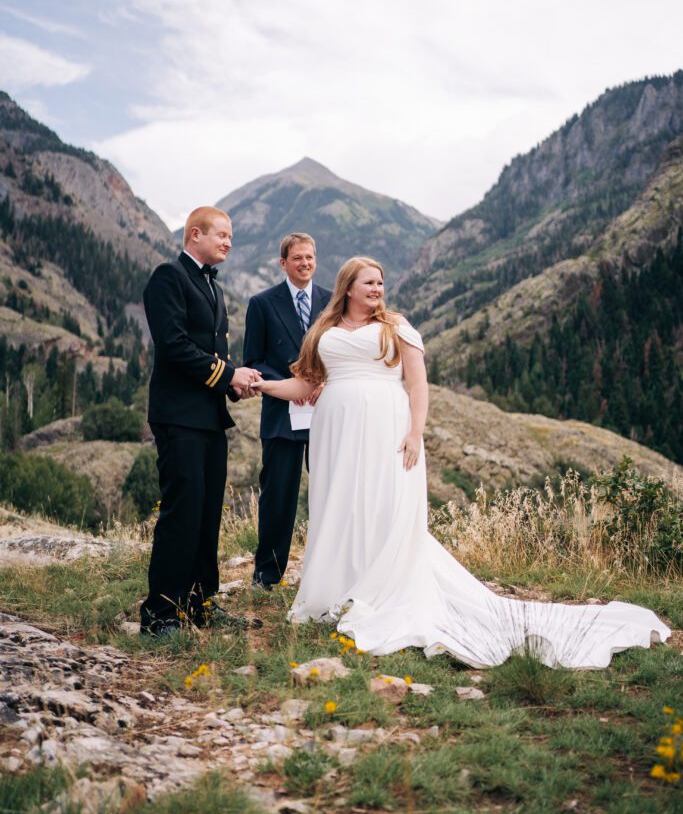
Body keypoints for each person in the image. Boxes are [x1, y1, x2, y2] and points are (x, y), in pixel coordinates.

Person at [250, 256, 671, 668]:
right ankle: (339, 588)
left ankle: (380, 592)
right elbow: (307, 383)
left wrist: (415, 433)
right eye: (369, 283)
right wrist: (262, 384)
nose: (378, 289)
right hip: (335, 433)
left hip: (386, 430)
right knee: (340, 506)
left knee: (383, 506)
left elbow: (418, 385)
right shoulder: (324, 329)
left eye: (381, 282)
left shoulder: (397, 328)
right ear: (348, 287)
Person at [140, 206, 261, 636]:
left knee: (208, 513)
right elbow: (173, 346)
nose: (229, 242)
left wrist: (233, 383)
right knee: (182, 512)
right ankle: (160, 614)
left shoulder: (213, 287)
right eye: (222, 235)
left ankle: (198, 603)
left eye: (231, 236)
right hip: (178, 417)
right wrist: (227, 373)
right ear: (196, 234)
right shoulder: (168, 277)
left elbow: (209, 354)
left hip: (209, 417)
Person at [243, 233, 331, 588]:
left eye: (309, 257)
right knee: (278, 494)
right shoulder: (262, 304)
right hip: (283, 412)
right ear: (283, 263)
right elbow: (253, 361)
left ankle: (327, 571)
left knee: (330, 491)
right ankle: (268, 573)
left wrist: (322, 384)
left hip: (327, 411)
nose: (305, 263)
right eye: (297, 258)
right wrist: (291, 388)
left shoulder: (332, 301)